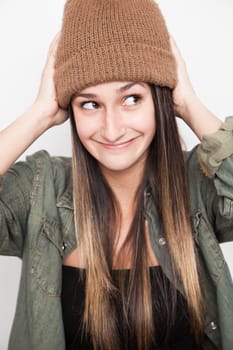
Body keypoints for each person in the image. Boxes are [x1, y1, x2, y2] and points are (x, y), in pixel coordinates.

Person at [0, 0, 232, 349]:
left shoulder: (198, 182)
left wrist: (187, 101)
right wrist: (40, 113)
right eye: (89, 103)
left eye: (132, 98)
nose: (111, 129)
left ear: (159, 98)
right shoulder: (40, 189)